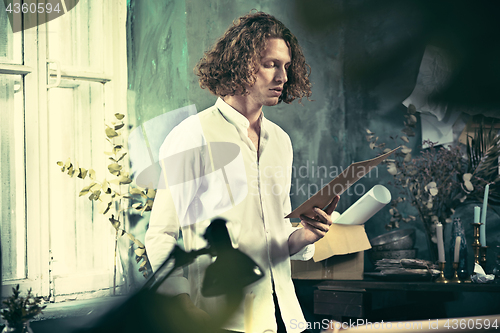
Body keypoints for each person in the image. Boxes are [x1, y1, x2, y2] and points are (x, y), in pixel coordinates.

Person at [145, 11, 339, 333]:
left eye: (286, 66)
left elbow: (270, 237)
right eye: (270, 64)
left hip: (286, 317)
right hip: (224, 320)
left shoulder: (281, 141)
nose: (283, 77)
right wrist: (183, 307)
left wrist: (306, 235)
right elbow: (160, 233)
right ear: (240, 63)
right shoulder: (192, 135)